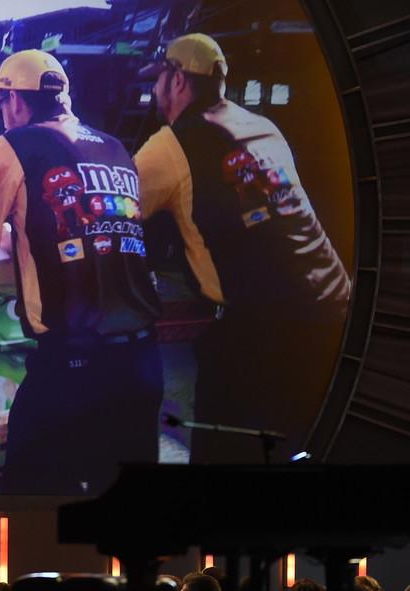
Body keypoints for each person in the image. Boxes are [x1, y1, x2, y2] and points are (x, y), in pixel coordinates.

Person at [134, 33, 351, 464]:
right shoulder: (263, 127)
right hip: (334, 312)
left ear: (178, 82)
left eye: (159, 79)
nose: (155, 90)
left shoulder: (170, 144)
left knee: (224, 451)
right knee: (299, 443)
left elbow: (111, 217)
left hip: (261, 327)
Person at [0, 49, 163, 496]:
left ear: (17, 102)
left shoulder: (15, 145)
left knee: (26, 505)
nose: (3, 112)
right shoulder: (116, 146)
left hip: (73, 363)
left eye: (3, 103)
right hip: (142, 361)